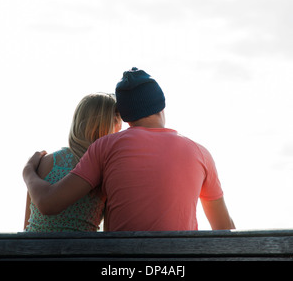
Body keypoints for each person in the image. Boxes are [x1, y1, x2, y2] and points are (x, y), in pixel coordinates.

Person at [23, 68, 235, 231]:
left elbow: (49, 204)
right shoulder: (201, 153)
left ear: (124, 118)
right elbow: (225, 229)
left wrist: (28, 173)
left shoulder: (105, 147)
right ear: (162, 106)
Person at [24, 93, 122, 232]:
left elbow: (28, 224)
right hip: (79, 252)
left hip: (29, 250)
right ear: (112, 123)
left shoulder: (44, 162)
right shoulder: (105, 170)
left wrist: (28, 169)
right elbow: (110, 232)